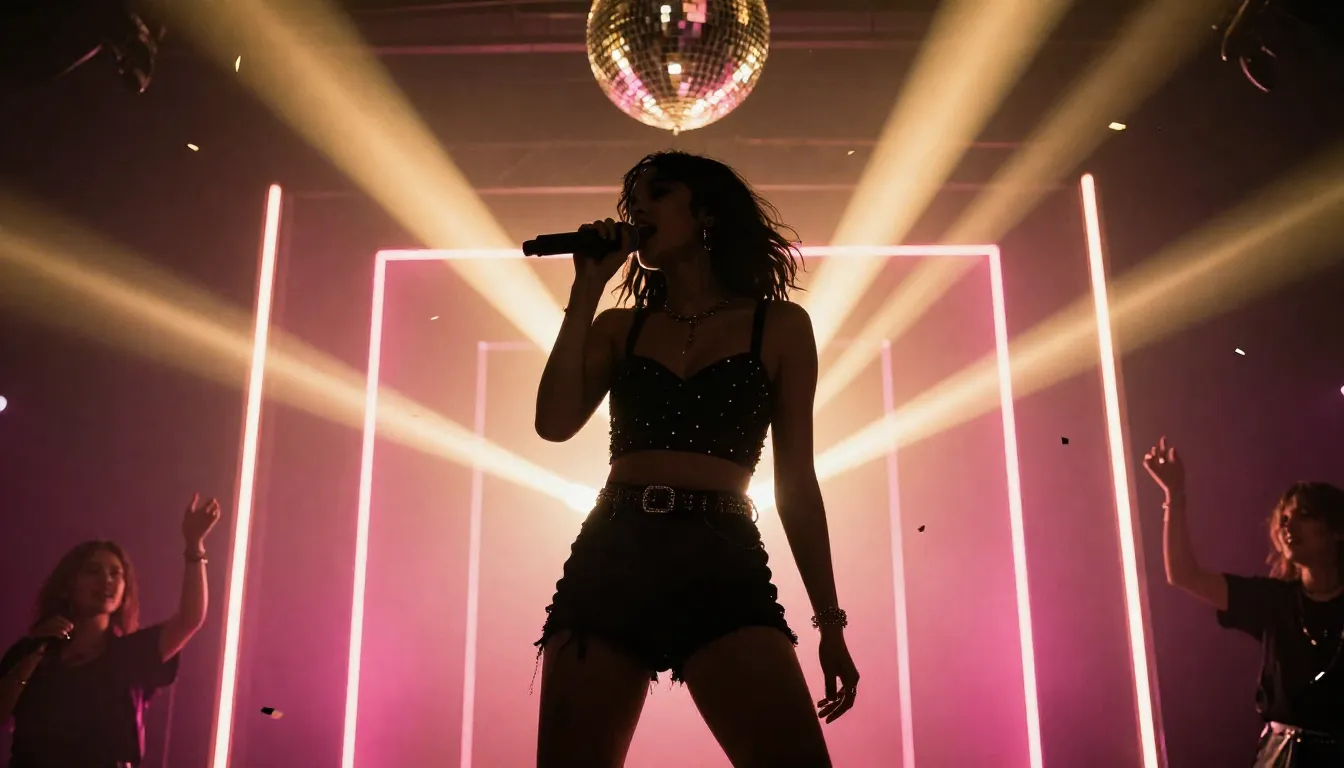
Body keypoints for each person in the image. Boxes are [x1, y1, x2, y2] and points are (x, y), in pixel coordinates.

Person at [532, 150, 858, 768]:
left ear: (706, 212)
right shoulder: (619, 327)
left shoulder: (779, 326)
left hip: (719, 553)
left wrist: (831, 625)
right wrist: (586, 288)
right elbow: (552, 424)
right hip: (614, 550)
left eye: (657, 196)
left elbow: (796, 482)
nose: (637, 212)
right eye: (632, 204)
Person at [1143, 436, 1344, 767]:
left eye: (1304, 515)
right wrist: (1174, 496)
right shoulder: (1273, 600)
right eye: (1284, 519)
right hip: (1281, 758)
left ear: (1337, 530)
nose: (1289, 526)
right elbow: (1183, 573)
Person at [0, 493, 221, 768]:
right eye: (93, 571)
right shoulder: (32, 651)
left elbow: (189, 618)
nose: (106, 580)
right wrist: (35, 654)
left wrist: (194, 545)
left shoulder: (130, 654)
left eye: (116, 574)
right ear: (68, 586)